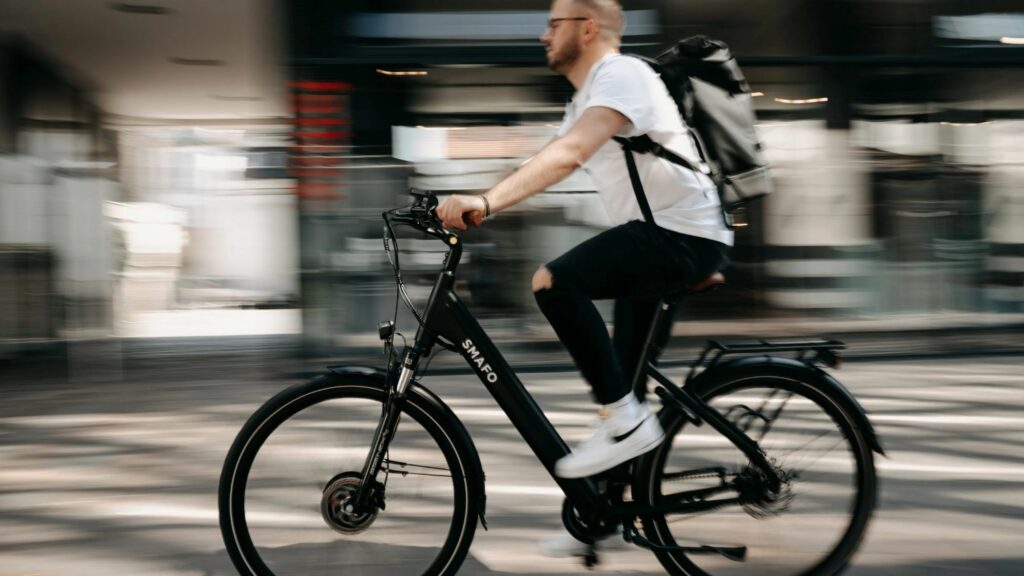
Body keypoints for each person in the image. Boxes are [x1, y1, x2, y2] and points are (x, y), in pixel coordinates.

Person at [437, 0, 732, 554]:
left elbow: (571, 155)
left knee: (555, 281)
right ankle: (606, 517)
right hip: (663, 237)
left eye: (555, 22)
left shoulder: (622, 74)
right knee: (626, 380)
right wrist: (472, 201)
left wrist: (484, 200)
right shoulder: (585, 98)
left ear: (588, 28)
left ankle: (624, 423)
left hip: (680, 235)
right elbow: (549, 161)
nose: (544, 33)